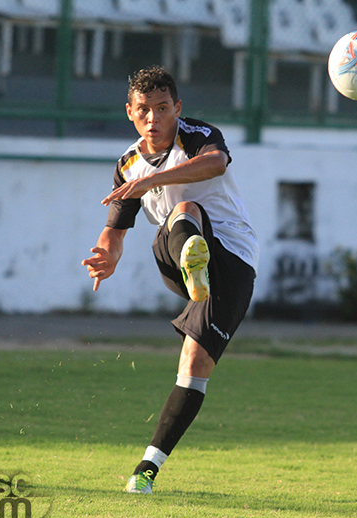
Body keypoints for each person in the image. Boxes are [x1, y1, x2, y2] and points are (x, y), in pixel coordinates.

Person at [81, 66, 259, 494]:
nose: (154, 119)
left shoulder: (197, 135)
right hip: (180, 260)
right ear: (130, 112)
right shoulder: (127, 165)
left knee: (194, 367)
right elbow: (116, 232)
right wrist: (107, 254)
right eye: (144, 110)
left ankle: (146, 469)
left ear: (178, 108)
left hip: (232, 260)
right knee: (184, 215)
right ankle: (190, 262)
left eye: (163, 109)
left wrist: (154, 180)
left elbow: (215, 163)